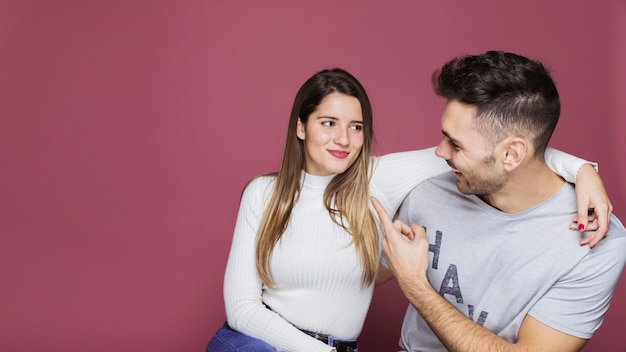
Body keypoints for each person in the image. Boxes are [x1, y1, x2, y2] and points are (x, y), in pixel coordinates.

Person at [207, 68, 611, 352]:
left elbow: (500, 152)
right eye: (328, 122)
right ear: (301, 126)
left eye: (357, 126)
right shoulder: (264, 193)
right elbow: (242, 308)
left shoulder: (375, 177)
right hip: (255, 344)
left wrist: (582, 169)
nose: (343, 139)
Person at [372, 50, 626, 352]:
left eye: (455, 143)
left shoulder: (594, 243)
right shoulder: (431, 189)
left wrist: (416, 286)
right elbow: (366, 275)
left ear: (512, 155)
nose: (439, 152)